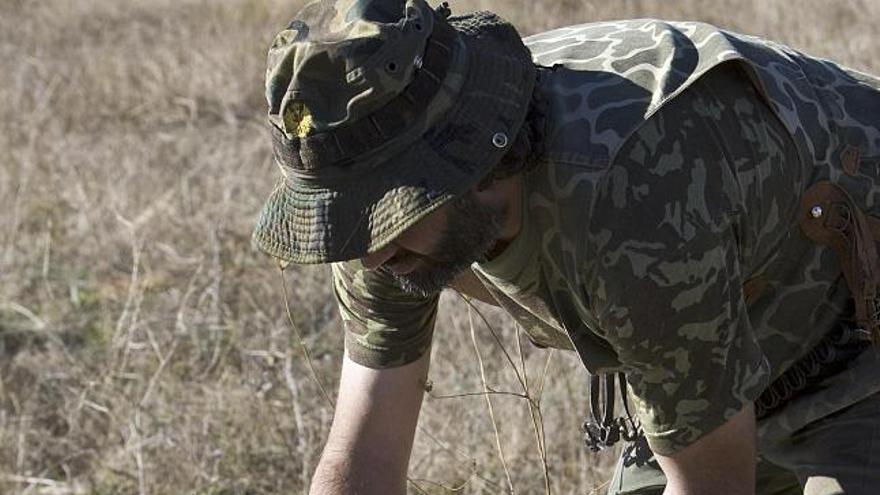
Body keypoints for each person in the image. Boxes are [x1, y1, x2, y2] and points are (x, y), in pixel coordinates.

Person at [252, 0, 880, 493]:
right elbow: (366, 453)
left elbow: (714, 485)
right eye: (347, 218)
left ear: (472, 162)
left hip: (856, 350)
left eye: (385, 211)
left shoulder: (633, 199)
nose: (366, 257)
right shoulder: (385, 225)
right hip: (726, 358)